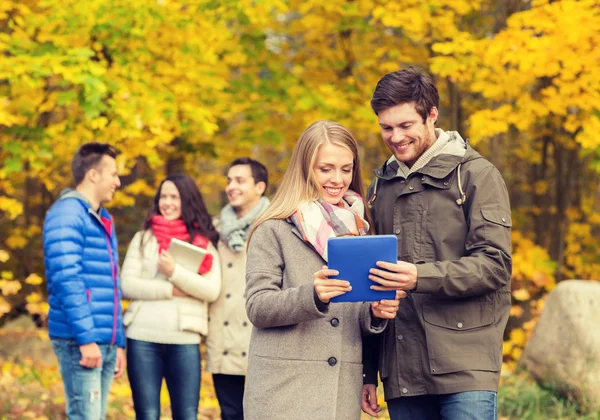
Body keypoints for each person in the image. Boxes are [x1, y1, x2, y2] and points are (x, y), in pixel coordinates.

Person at [361, 67, 512, 420]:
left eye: (405, 125)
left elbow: (495, 265)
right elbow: (371, 285)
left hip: (466, 366)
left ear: (431, 115)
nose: (395, 137)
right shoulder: (380, 187)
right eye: (386, 127)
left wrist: (418, 277)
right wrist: (368, 370)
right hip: (401, 372)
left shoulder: (476, 175)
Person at [243, 120, 402, 420]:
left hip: (339, 392)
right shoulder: (273, 228)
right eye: (325, 169)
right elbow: (257, 306)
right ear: (305, 169)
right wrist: (312, 296)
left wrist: (375, 312)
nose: (338, 179)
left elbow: (354, 312)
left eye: (346, 168)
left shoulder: (361, 230)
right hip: (283, 393)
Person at [120, 174, 221, 420]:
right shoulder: (144, 238)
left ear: (187, 200)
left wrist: (174, 272)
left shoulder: (202, 242)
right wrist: (171, 290)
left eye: (174, 196)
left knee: (186, 414)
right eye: (163, 196)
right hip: (142, 337)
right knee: (147, 414)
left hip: (184, 338)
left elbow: (211, 290)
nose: (167, 202)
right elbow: (126, 285)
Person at [43, 142, 126, 420]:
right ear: (93, 175)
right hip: (80, 339)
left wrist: (118, 342)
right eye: (113, 174)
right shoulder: (67, 214)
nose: (118, 181)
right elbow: (68, 280)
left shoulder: (101, 219)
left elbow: (112, 285)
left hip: (103, 338)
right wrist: (86, 339)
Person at [206, 157, 270, 420]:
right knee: (230, 413)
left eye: (240, 180)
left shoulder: (275, 224)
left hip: (261, 335)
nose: (231, 186)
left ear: (260, 187)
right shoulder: (216, 229)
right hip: (223, 335)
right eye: (229, 180)